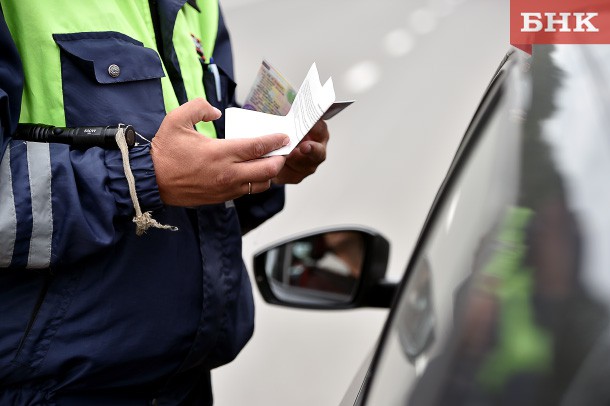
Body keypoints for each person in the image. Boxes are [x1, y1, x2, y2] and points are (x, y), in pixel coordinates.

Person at [0, 0, 329, 404]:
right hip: (52, 391)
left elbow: (201, 148)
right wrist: (140, 179)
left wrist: (263, 162)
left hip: (185, 381)